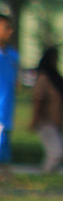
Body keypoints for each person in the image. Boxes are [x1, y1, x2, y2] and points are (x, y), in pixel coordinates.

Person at [30, 47, 63, 174]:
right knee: (57, 153)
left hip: (57, 121)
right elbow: (38, 99)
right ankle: (44, 173)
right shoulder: (44, 78)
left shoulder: (56, 78)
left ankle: (50, 173)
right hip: (46, 121)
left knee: (57, 152)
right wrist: (34, 120)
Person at [0, 14, 18, 182]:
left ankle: (6, 178)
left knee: (4, 147)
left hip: (6, 111)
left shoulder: (12, 55)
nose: (10, 31)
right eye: (6, 27)